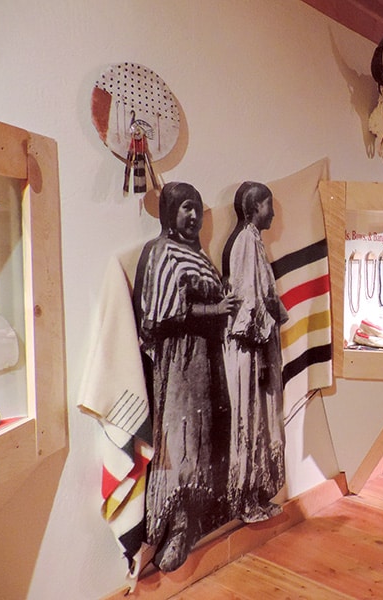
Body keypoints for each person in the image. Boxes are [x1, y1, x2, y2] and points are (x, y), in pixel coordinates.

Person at [136, 182, 240, 572]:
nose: (193, 216)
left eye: (196, 208)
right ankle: (176, 525)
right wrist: (216, 312)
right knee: (181, 439)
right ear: (168, 214)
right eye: (185, 209)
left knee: (209, 436)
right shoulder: (162, 253)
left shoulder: (198, 255)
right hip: (180, 361)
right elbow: (161, 315)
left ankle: (200, 514)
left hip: (208, 358)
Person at [222, 182, 289, 523]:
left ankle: (258, 494)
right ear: (254, 208)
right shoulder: (246, 242)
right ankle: (246, 501)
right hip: (250, 349)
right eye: (268, 206)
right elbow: (248, 299)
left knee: (263, 421)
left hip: (259, 346)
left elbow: (265, 295)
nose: (273, 213)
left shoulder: (255, 242)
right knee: (250, 421)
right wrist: (261, 349)